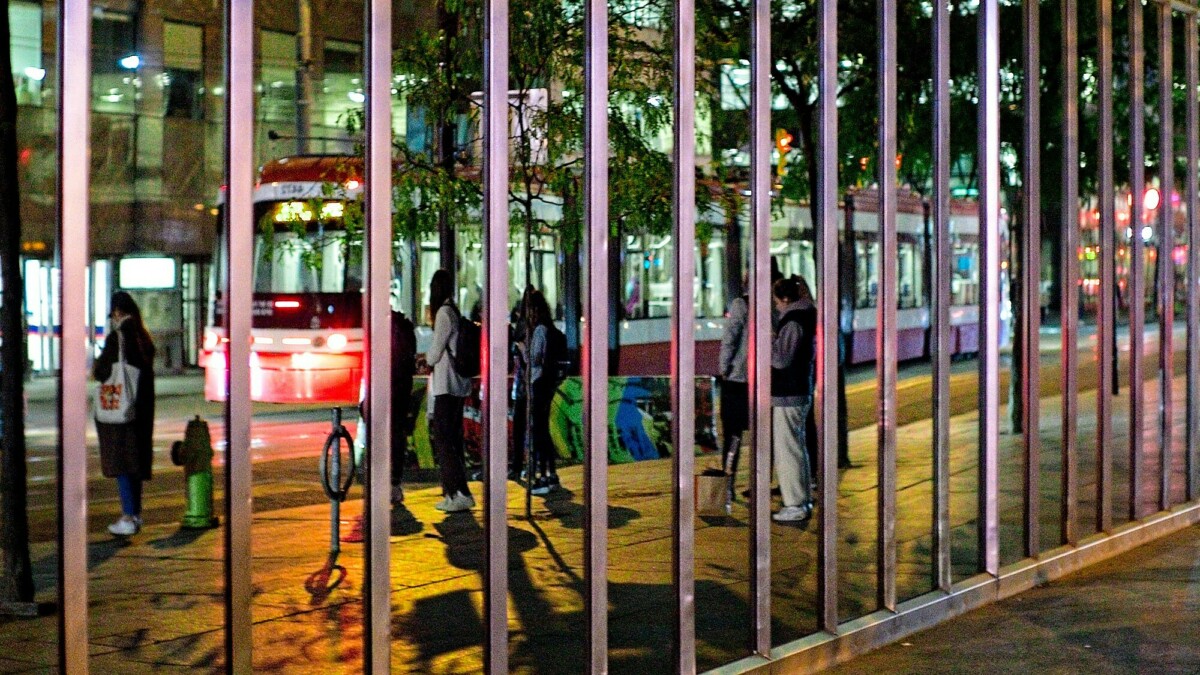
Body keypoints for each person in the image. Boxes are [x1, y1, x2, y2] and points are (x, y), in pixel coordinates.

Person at [94, 291, 156, 536]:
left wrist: (97, 365)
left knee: (121, 461)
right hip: (141, 409)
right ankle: (136, 514)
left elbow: (102, 372)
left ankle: (128, 516)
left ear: (118, 312)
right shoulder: (143, 336)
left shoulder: (117, 338)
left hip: (121, 409)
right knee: (135, 463)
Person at [426, 269, 474, 512]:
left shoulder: (444, 314)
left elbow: (435, 353)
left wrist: (426, 359)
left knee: (444, 440)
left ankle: (456, 493)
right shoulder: (453, 311)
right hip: (458, 384)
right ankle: (457, 492)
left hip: (447, 385)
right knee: (453, 439)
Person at [770, 277, 817, 523]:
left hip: (789, 392)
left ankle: (794, 503)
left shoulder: (793, 320)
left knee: (787, 450)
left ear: (786, 299)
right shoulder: (805, 315)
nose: (776, 307)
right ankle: (802, 497)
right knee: (797, 446)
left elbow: (781, 359)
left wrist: (768, 341)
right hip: (798, 390)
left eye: (777, 302)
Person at [525, 289, 562, 495]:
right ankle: (551, 475)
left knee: (539, 432)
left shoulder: (539, 330)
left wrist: (524, 350)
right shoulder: (549, 328)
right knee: (543, 431)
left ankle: (543, 478)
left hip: (538, 382)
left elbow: (535, 358)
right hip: (546, 383)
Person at [718, 290, 749, 503]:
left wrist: (724, 368)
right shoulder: (775, 304)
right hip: (765, 380)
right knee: (766, 435)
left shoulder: (741, 304)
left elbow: (730, 338)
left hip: (738, 378)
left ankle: (728, 484)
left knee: (733, 435)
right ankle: (762, 482)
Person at [390, 308, 417, 504]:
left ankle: (389, 483)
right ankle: (395, 483)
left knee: (387, 436)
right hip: (402, 388)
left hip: (389, 388)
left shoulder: (389, 327)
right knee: (397, 435)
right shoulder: (405, 326)